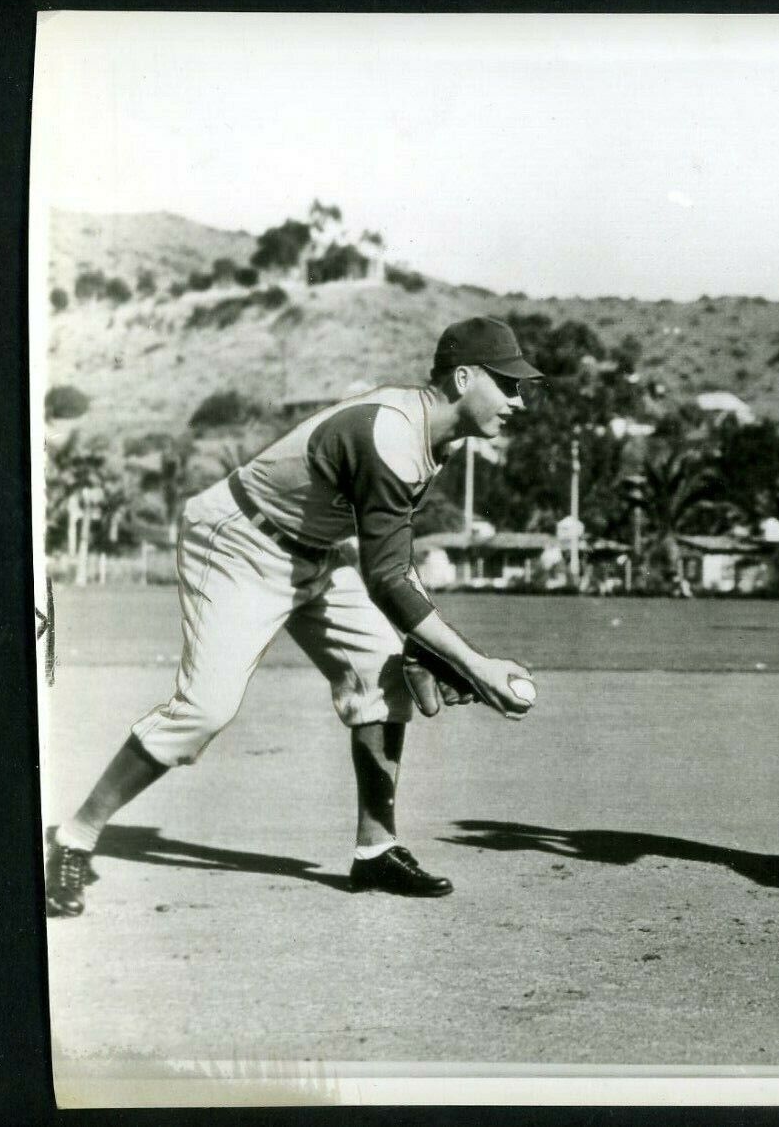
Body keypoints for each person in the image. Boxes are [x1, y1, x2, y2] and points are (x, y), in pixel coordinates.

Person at [45, 317, 543, 917]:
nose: (518, 401)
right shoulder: (388, 434)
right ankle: (74, 837)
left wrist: (432, 650)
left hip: (318, 553)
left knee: (380, 674)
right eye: (508, 384)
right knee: (204, 709)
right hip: (236, 542)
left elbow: (394, 566)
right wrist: (475, 664)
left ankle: (376, 849)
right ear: (464, 378)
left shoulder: (440, 438)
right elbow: (388, 578)